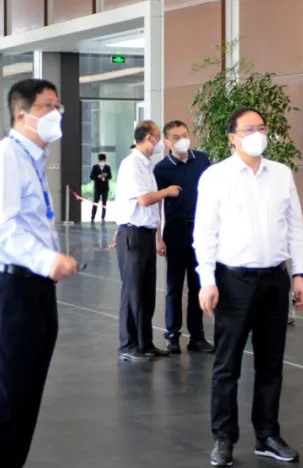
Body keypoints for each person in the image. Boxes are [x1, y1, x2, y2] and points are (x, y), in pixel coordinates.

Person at [0, 78, 79, 468]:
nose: (57, 114)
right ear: (22, 114)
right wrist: (47, 258)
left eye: (58, 106)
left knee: (25, 398)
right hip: (12, 291)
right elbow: (2, 226)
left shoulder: (34, 159)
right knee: (0, 403)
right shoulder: (5, 157)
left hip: (35, 289)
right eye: (48, 106)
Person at [195, 107, 303, 468]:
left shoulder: (281, 174)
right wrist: (207, 280)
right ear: (233, 137)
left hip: (275, 278)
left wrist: (299, 273)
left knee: (271, 362)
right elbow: (204, 232)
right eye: (249, 129)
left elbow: (295, 226)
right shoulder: (216, 176)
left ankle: (267, 435)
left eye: (262, 127)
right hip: (233, 281)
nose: (258, 134)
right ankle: (224, 437)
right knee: (227, 365)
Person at [113, 120, 181, 362]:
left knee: (146, 292)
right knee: (132, 292)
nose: (160, 141)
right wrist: (167, 192)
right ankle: (128, 346)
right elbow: (143, 200)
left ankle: (145, 343)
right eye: (157, 136)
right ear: (148, 138)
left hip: (146, 234)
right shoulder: (131, 164)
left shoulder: (146, 165)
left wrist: (157, 236)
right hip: (133, 234)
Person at [153, 120, 213, 355]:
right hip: (176, 230)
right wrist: (158, 237)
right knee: (174, 286)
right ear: (167, 142)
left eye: (185, 135)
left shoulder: (203, 160)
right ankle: (172, 336)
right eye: (176, 137)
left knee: (199, 283)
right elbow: (156, 205)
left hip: (201, 230)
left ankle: (197, 336)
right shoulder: (161, 169)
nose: (182, 140)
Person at [89, 153, 112, 223]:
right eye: (101, 160)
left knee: (104, 203)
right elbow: (91, 176)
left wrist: (105, 176)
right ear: (99, 160)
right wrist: (98, 176)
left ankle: (103, 217)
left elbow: (110, 176)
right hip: (97, 187)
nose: (102, 162)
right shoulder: (95, 167)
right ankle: (93, 216)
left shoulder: (107, 167)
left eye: (103, 160)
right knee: (95, 202)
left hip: (105, 187)